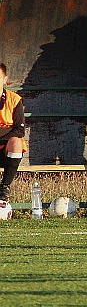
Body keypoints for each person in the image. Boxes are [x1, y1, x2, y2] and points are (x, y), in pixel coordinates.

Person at [0, 63, 25, 202]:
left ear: (5, 79)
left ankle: (4, 187)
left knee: (16, 142)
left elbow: (20, 130)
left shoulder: (14, 99)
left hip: (5, 148)